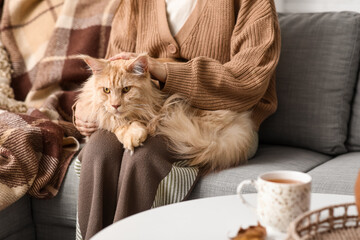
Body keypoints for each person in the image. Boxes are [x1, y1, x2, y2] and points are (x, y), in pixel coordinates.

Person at [73, 0, 281, 239]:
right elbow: (110, 73)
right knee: (100, 149)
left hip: (221, 120)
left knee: (145, 156)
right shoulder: (132, 3)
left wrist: (162, 69)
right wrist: (84, 108)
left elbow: (249, 81)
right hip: (144, 113)